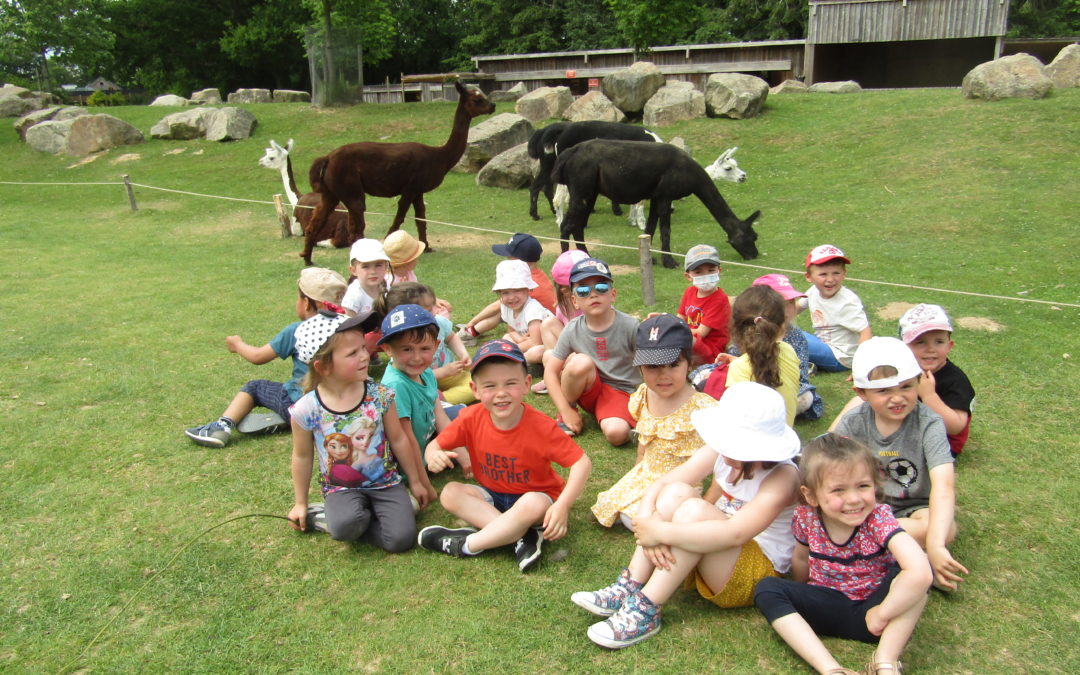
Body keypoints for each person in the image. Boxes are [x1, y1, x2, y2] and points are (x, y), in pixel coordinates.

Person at [570, 382, 800, 649]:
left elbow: (735, 532)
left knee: (694, 510)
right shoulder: (723, 452)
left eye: (734, 447)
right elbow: (664, 483)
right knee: (676, 492)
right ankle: (631, 583)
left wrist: (660, 533)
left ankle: (647, 607)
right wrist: (646, 521)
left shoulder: (784, 477)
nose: (725, 452)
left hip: (755, 573)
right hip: (716, 550)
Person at [754, 433, 932, 675]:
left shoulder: (878, 518)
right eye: (838, 490)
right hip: (830, 603)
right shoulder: (805, 517)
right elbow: (801, 558)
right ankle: (831, 669)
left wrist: (882, 613)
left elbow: (920, 573)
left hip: (880, 610)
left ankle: (885, 663)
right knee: (768, 589)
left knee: (914, 574)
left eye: (863, 486)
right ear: (811, 496)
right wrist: (802, 596)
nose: (854, 499)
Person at [419, 340, 592, 572]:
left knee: (532, 503)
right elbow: (436, 446)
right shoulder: (470, 417)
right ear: (475, 390)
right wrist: (433, 455)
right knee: (450, 493)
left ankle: (467, 544)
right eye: (489, 386)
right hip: (492, 497)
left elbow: (582, 462)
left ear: (526, 384)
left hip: (535, 501)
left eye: (510, 383)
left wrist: (562, 506)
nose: (501, 394)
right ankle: (519, 537)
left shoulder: (541, 426)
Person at [286, 311, 436, 549]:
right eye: (353, 353)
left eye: (363, 348)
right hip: (340, 488)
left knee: (401, 540)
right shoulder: (306, 409)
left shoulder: (380, 396)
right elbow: (302, 456)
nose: (365, 356)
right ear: (323, 366)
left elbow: (399, 440)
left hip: (385, 483)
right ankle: (328, 516)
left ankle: (366, 516)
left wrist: (416, 482)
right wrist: (300, 503)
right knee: (345, 527)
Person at [833, 337, 968, 591]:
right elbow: (827, 464)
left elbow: (944, 485)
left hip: (914, 509)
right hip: (865, 506)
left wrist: (937, 544)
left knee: (942, 527)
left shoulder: (930, 423)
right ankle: (901, 555)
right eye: (884, 391)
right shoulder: (854, 422)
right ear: (861, 393)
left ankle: (866, 548)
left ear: (920, 382)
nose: (897, 398)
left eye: (906, 387)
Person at [184, 267, 346, 448]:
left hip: (301, 403)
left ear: (306, 302)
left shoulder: (298, 330)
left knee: (255, 387)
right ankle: (295, 421)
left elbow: (258, 356)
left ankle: (221, 427)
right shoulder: (348, 329)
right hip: (341, 403)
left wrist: (237, 345)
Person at [591, 314, 716, 529]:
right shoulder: (644, 395)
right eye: (652, 367)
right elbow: (644, 441)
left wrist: (708, 504)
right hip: (647, 474)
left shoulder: (704, 408)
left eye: (672, 364)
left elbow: (724, 463)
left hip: (679, 486)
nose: (663, 375)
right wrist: (634, 475)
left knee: (643, 518)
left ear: (689, 363)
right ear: (640, 368)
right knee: (611, 505)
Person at [543, 257, 640, 445]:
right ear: (575, 301)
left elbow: (648, 366)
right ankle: (571, 409)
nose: (593, 294)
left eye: (601, 288)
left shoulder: (630, 325)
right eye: (583, 290)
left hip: (622, 391)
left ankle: (613, 417)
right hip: (589, 389)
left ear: (612, 294)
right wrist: (565, 410)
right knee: (579, 362)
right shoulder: (572, 328)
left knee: (616, 434)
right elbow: (550, 372)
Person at [703, 285, 800, 425]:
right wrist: (740, 361)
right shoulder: (788, 351)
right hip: (784, 438)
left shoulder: (739, 368)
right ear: (783, 322)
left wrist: (739, 364)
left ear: (734, 327)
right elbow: (765, 366)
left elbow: (737, 420)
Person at [378, 304, 453, 482]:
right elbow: (405, 439)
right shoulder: (395, 386)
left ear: (436, 346)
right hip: (410, 461)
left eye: (424, 349)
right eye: (407, 349)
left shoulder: (424, 371)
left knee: (466, 419)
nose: (417, 357)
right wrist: (419, 481)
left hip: (426, 441)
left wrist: (463, 453)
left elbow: (439, 414)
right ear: (388, 349)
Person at [742, 274, 823, 420]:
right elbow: (738, 362)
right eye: (778, 304)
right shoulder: (749, 330)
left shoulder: (796, 336)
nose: (786, 310)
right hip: (748, 383)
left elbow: (800, 378)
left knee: (806, 397)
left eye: (790, 302)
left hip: (781, 385)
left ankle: (774, 417)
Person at [899, 304, 975, 456]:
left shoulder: (955, 380)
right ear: (904, 347)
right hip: (908, 430)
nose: (930, 349)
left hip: (941, 443)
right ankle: (838, 437)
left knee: (884, 453)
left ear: (949, 346)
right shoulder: (902, 368)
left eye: (939, 342)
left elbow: (956, 426)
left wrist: (929, 396)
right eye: (920, 342)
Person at [455, 233, 556, 345]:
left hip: (538, 324)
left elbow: (495, 307)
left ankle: (469, 332)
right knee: (505, 312)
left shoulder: (525, 284)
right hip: (526, 317)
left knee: (499, 312)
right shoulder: (535, 275)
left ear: (520, 261)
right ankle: (472, 330)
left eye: (510, 256)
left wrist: (471, 322)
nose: (507, 258)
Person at [385, 282, 474, 405]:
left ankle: (438, 399)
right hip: (418, 381)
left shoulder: (438, 322)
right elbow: (409, 375)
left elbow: (451, 337)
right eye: (426, 310)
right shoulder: (401, 338)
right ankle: (436, 400)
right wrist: (443, 371)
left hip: (449, 374)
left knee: (476, 384)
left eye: (432, 307)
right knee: (412, 395)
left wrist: (463, 355)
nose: (434, 312)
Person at [800, 244, 872, 372]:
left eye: (836, 273)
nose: (830, 279)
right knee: (782, 330)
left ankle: (800, 365)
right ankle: (808, 364)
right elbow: (795, 308)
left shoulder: (847, 302)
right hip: (823, 344)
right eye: (823, 274)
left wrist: (861, 367)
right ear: (809, 277)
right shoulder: (813, 291)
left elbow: (865, 332)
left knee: (788, 336)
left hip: (840, 357)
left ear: (844, 274)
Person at [533, 249, 588, 394]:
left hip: (586, 357)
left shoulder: (591, 307)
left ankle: (558, 377)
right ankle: (554, 374)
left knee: (546, 354)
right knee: (548, 323)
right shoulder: (562, 306)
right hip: (570, 350)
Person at [677, 244, 731, 365]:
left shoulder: (719, 298)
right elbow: (680, 317)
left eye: (711, 270)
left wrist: (675, 331)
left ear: (719, 271)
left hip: (711, 350)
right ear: (688, 276)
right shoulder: (689, 292)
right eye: (698, 272)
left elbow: (701, 332)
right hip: (691, 340)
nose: (705, 276)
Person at [492, 259, 553, 365]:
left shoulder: (532, 309)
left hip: (547, 344)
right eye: (505, 293)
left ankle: (517, 361)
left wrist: (509, 349)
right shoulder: (505, 307)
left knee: (536, 352)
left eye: (517, 290)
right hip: (526, 342)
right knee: (506, 338)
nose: (511, 297)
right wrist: (519, 340)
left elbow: (536, 342)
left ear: (528, 289)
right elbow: (511, 330)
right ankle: (520, 360)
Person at [382, 230, 452, 317]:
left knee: (443, 309)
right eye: (416, 257)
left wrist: (435, 300)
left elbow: (420, 292)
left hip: (419, 305)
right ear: (407, 263)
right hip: (407, 315)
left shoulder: (409, 273)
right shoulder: (391, 280)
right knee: (439, 316)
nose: (417, 260)